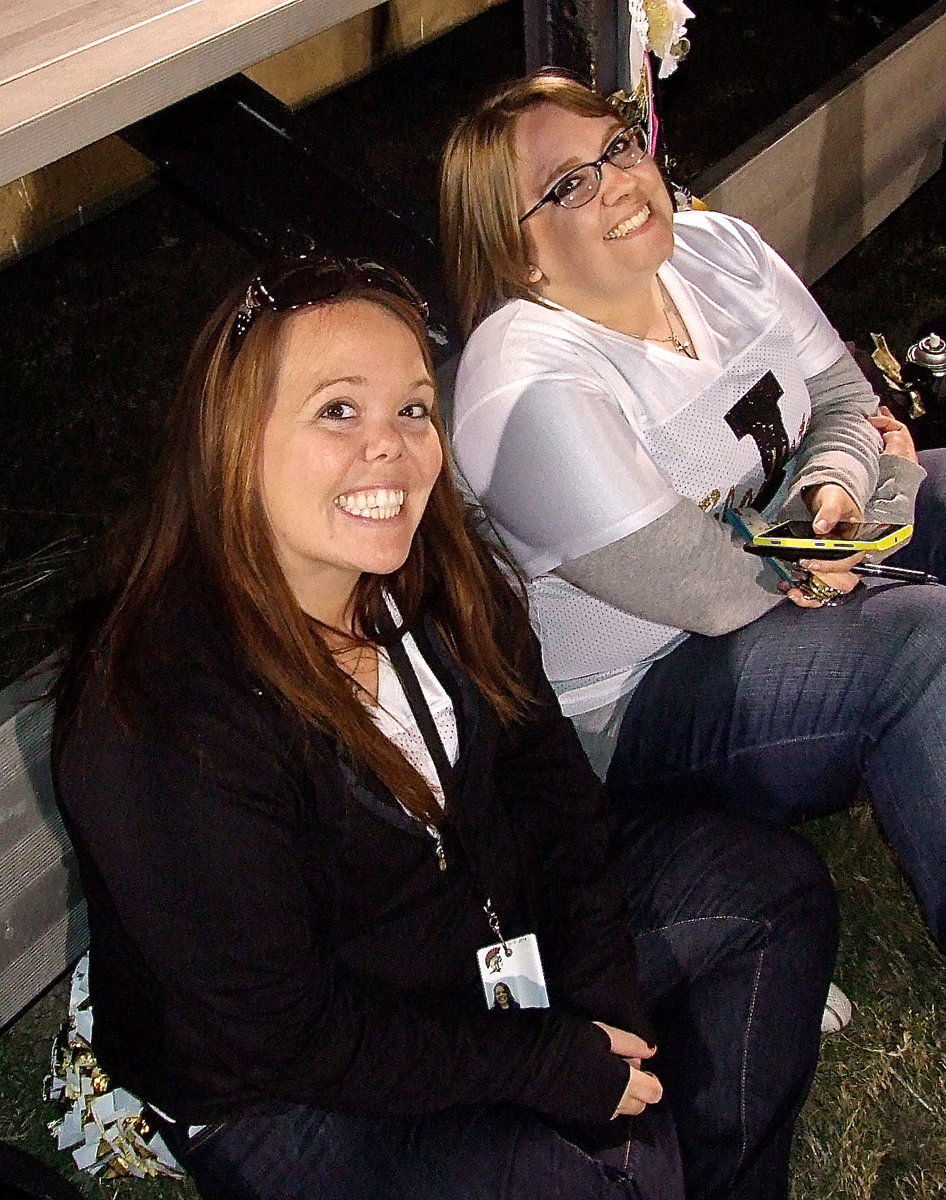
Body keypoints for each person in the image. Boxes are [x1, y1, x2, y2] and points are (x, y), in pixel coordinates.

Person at [53, 254, 836, 1200]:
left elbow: (555, 794)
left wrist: (602, 1009)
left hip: (472, 940)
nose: (389, 446)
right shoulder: (159, 707)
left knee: (774, 897)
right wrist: (546, 1065)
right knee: (583, 1182)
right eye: (337, 409)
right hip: (286, 1083)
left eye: (414, 409)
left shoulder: (440, 584)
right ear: (234, 439)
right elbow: (282, 1031)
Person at [440, 70, 946, 953]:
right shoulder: (522, 387)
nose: (621, 184)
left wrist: (838, 485)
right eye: (570, 185)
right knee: (917, 648)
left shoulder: (722, 253)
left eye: (619, 148)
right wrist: (881, 492)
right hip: (633, 701)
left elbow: (842, 397)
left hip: (773, 571)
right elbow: (708, 588)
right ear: (517, 253)